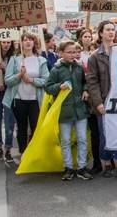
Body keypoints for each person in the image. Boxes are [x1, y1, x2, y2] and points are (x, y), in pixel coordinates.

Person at [87, 20, 117, 179]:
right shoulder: (94, 57)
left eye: (113, 30)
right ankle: (107, 164)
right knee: (105, 135)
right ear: (101, 33)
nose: (111, 32)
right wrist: (98, 103)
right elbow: (92, 82)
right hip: (104, 102)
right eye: (108, 29)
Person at [45, 41, 92, 181]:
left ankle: (82, 167)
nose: (73, 55)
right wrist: (60, 86)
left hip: (80, 110)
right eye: (69, 52)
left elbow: (86, 82)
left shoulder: (79, 67)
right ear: (61, 53)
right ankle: (69, 168)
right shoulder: (56, 69)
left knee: (82, 139)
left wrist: (85, 90)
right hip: (64, 111)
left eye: (74, 52)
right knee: (65, 141)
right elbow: (48, 87)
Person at [3, 33, 50, 156]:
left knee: (35, 126)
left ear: (34, 43)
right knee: (21, 127)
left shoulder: (41, 60)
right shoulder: (14, 59)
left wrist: (32, 80)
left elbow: (46, 80)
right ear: (21, 43)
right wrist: (19, 75)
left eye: (30, 40)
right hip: (18, 100)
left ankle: (33, 152)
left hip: (36, 100)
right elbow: (7, 81)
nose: (28, 42)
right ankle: (23, 152)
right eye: (25, 40)